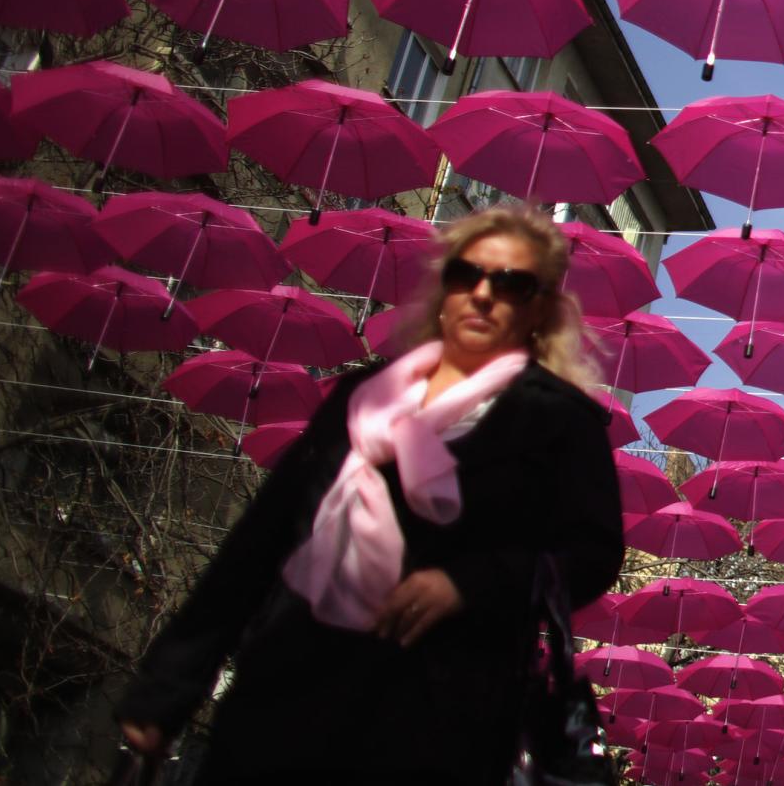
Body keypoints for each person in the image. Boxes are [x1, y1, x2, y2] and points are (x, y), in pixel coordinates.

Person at [115, 205, 626, 786]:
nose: (483, 295)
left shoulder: (559, 421)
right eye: (466, 275)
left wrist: (471, 584)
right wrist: (168, 690)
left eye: (510, 284)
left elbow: (592, 554)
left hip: (435, 720)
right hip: (286, 694)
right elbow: (265, 538)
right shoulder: (364, 395)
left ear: (538, 310)